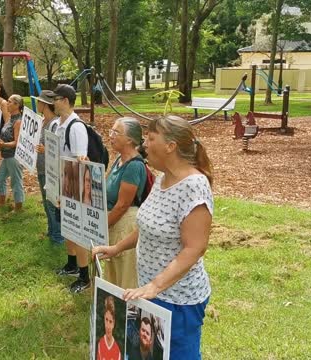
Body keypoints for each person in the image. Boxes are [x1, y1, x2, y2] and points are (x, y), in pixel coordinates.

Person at [93, 115, 213, 359]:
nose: (144, 144)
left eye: (150, 138)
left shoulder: (194, 186)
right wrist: (117, 248)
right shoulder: (161, 179)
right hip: (150, 292)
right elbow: (148, 227)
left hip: (178, 300)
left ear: (171, 146)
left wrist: (155, 286)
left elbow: (195, 249)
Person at [49, 84, 91, 294]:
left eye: (55, 99)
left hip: (73, 187)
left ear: (65, 100)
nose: (53, 103)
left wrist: (71, 193)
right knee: (67, 228)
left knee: (77, 231)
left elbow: (79, 162)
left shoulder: (76, 127)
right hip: (60, 185)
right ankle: (72, 264)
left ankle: (85, 276)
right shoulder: (57, 124)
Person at [104, 117, 147, 289]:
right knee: (113, 274)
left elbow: (122, 205)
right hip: (114, 222)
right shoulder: (118, 160)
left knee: (126, 276)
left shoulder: (134, 166)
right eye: (111, 131)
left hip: (125, 225)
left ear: (129, 139)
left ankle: (128, 314)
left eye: (116, 132)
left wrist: (103, 225)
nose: (111, 136)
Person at [33, 90, 63, 245]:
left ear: (44, 104)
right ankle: (51, 230)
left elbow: (59, 148)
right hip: (41, 168)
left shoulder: (55, 124)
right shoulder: (42, 121)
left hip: (51, 170)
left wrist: (45, 150)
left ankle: (58, 236)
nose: (37, 104)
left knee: (52, 204)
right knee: (46, 202)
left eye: (39, 101)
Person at [0, 95, 24, 212]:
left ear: (17, 105)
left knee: (16, 182)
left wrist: (4, 145)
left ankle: (18, 207)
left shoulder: (18, 121)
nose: (7, 103)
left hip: (14, 157)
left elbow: (17, 142)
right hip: (6, 156)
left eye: (10, 102)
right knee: (0, 177)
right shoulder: (9, 119)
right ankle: (1, 202)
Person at [97, 295, 122, 360]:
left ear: (114, 323)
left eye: (110, 321)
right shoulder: (100, 343)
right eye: (106, 320)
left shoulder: (117, 350)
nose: (108, 326)